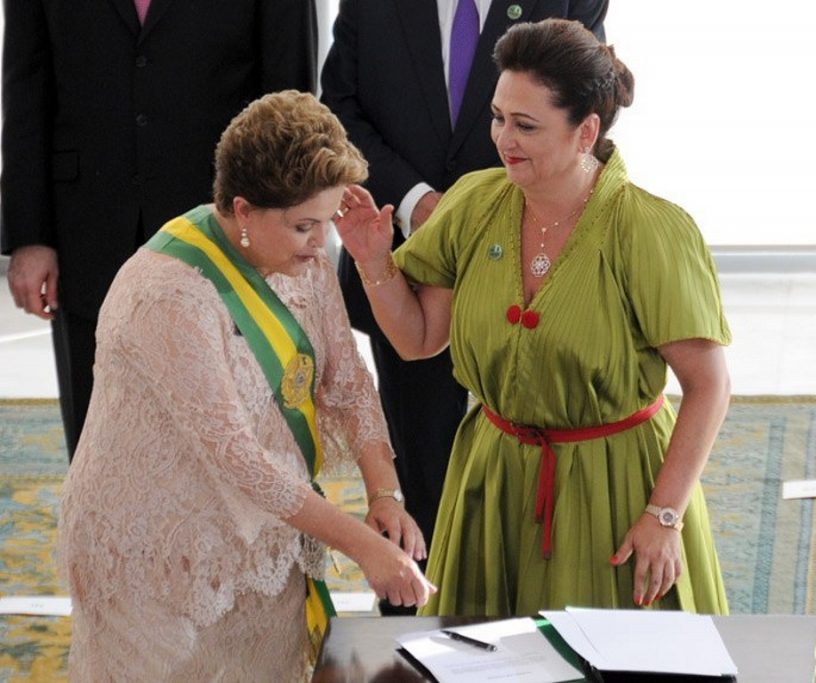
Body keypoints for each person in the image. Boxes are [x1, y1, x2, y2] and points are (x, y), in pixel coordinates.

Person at [336, 18, 733, 616]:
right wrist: (373, 261)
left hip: (613, 490)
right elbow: (419, 339)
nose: (503, 139)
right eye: (498, 117)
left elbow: (710, 385)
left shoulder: (649, 229)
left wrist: (664, 516)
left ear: (586, 132)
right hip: (492, 483)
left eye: (525, 125)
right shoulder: (472, 202)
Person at [58, 91, 435, 680]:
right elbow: (235, 456)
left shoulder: (301, 258)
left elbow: (348, 379)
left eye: (325, 221)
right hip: (160, 552)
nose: (319, 244)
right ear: (242, 210)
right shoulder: (168, 293)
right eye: (303, 226)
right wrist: (362, 546)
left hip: (265, 534)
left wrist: (385, 494)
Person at [320, 0, 608, 614]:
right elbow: (340, 110)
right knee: (421, 454)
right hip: (401, 251)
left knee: (534, 449)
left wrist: (495, 210)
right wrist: (421, 204)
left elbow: (584, 108)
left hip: (534, 252)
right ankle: (415, 612)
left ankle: (531, 610)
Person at [1, 0, 318, 458]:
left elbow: (290, 99)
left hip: (225, 234)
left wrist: (287, 228)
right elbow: (26, 88)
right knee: (100, 448)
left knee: (222, 453)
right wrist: (31, 235)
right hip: (87, 234)